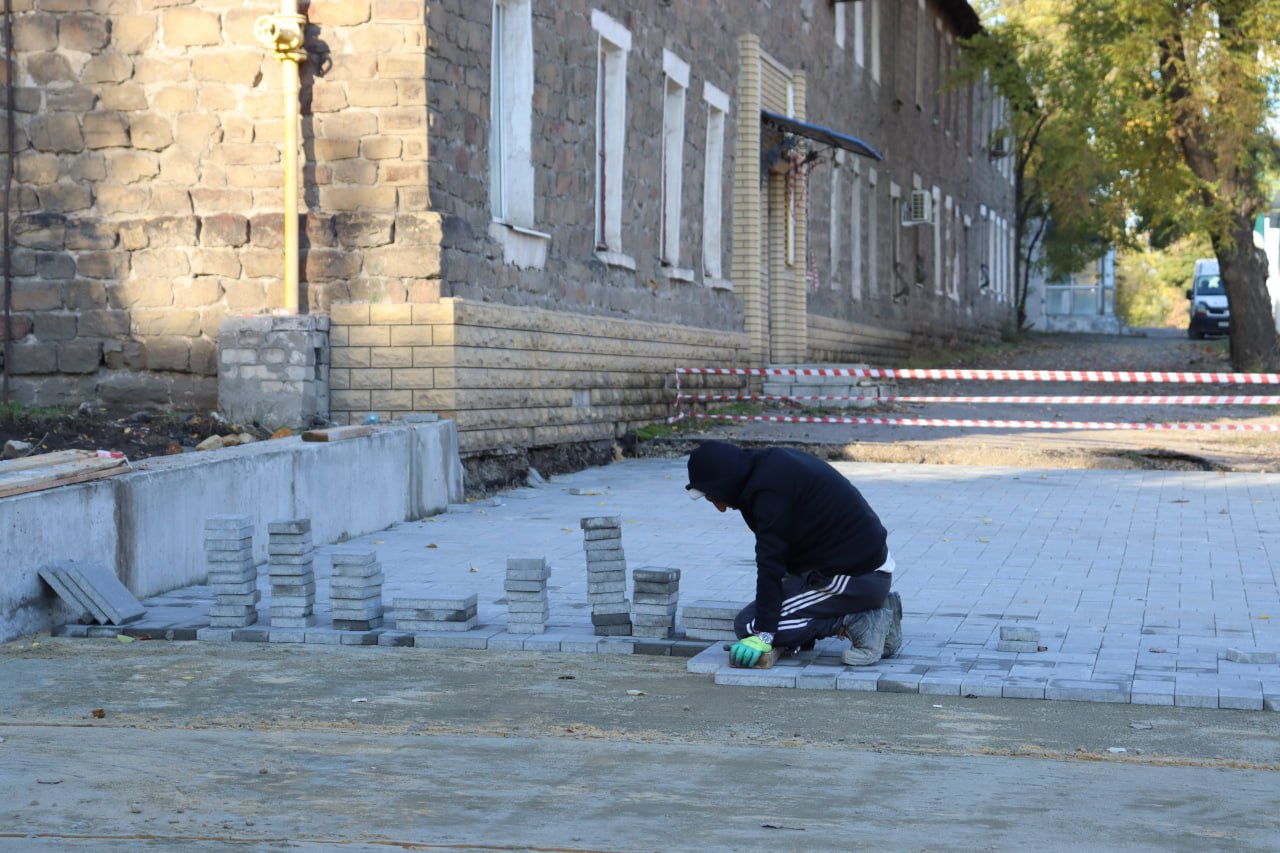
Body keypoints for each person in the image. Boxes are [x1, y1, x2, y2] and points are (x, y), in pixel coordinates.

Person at [685, 440, 902, 668]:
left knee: (748, 626)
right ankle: (878, 605)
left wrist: (764, 635)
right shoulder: (768, 466)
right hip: (858, 568)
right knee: (771, 612)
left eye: (713, 497)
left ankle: (858, 620)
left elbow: (771, 565)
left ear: (724, 482)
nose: (719, 507)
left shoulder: (767, 493)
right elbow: (787, 554)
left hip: (856, 577)